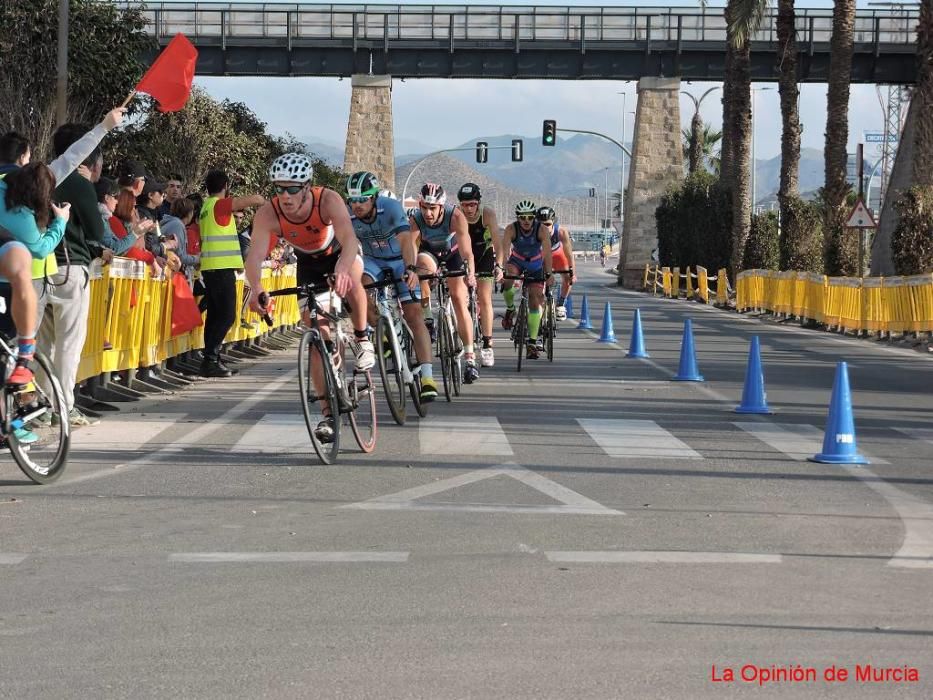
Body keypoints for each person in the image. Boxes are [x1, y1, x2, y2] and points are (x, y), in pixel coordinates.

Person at [246, 153, 375, 443]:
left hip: (340, 253)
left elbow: (350, 238)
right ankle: (329, 415)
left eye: (293, 188)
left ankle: (363, 338)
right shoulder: (269, 213)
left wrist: (342, 269)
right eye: (280, 188)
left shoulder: (327, 199)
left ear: (307, 187)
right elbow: (254, 255)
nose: (286, 196)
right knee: (316, 335)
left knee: (352, 277)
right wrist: (255, 289)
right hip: (309, 265)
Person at [345, 171, 436, 402]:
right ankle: (382, 333)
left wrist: (411, 269)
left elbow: (406, 241)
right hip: (373, 261)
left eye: (362, 199)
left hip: (398, 260)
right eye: (352, 200)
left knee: (414, 315)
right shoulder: (347, 214)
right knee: (360, 289)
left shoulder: (392, 207)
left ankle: (427, 377)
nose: (357, 205)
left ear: (374, 197)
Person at [0, 164, 69, 386]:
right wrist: (60, 222)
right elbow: (40, 249)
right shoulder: (22, 213)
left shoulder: (21, 215)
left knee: (19, 263)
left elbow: (36, 250)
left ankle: (25, 354)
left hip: (12, 278)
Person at [198, 169, 266, 378]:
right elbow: (247, 201)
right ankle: (210, 358)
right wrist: (263, 201)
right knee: (227, 316)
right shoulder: (219, 205)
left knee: (215, 316)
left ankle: (211, 359)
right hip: (220, 269)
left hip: (211, 268)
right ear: (226, 187)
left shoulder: (205, 208)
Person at [409, 183, 479, 384]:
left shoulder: (456, 216)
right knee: (421, 268)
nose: (428, 213)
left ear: (441, 206)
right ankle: (428, 318)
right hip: (429, 253)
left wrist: (470, 273)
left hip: (453, 253)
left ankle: (470, 358)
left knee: (458, 298)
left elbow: (467, 252)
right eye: (424, 207)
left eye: (432, 208)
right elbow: (412, 250)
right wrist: (411, 271)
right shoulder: (416, 219)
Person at [497, 199, 552, 359]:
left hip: (535, 264)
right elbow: (505, 251)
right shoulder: (511, 229)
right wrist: (501, 268)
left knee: (535, 300)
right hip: (517, 261)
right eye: (522, 217)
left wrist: (549, 274)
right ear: (518, 217)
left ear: (534, 217)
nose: (526, 221)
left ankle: (532, 342)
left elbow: (547, 253)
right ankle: (510, 308)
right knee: (509, 279)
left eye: (529, 217)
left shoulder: (541, 229)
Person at [456, 182, 500, 368]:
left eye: (473, 204)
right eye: (465, 205)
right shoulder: (456, 216)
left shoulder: (487, 214)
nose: (469, 209)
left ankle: (487, 344)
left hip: (483, 257)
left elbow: (498, 241)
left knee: (484, 298)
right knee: (460, 298)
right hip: (464, 256)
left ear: (479, 203)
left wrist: (500, 265)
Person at [536, 205, 576, 320]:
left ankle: (561, 304)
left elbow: (569, 254)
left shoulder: (561, 232)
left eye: (548, 224)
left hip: (558, 254)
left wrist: (573, 272)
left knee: (568, 277)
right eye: (541, 224)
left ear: (553, 222)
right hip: (541, 256)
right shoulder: (533, 232)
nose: (545, 227)